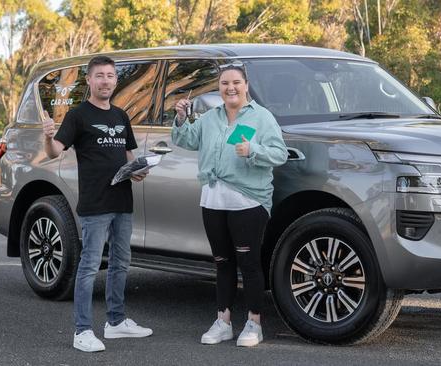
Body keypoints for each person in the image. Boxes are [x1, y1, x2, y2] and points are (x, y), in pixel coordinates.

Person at [172, 62, 287, 347]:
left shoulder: (262, 118)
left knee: (249, 264)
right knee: (222, 262)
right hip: (212, 199)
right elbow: (186, 139)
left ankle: (254, 324)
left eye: (236, 82)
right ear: (219, 87)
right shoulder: (211, 117)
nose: (230, 88)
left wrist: (253, 150)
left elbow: (280, 154)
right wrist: (180, 118)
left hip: (248, 200)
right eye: (224, 83)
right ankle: (223, 322)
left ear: (246, 85)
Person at [42, 55, 153, 353]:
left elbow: (130, 156)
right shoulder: (78, 115)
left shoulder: (120, 115)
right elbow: (55, 151)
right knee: (90, 266)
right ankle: (82, 331)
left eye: (110, 76)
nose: (106, 81)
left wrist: (139, 170)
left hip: (122, 200)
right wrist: (48, 136)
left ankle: (116, 323)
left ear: (116, 80)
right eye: (99, 76)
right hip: (95, 204)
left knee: (121, 263)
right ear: (89, 81)